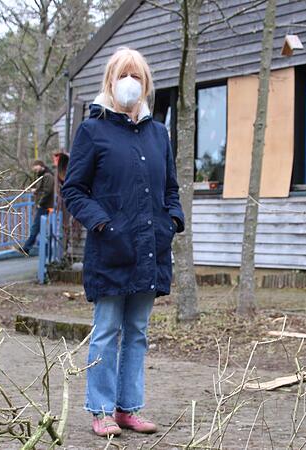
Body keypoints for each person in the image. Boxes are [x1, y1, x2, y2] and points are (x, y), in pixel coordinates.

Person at [62, 47, 184, 438]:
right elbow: (74, 190)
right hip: (111, 250)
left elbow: (171, 189)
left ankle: (129, 408)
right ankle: (100, 410)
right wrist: (104, 225)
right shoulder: (92, 130)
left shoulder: (158, 133)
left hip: (150, 249)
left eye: (136, 75)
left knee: (137, 332)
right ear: (110, 81)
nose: (129, 82)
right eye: (122, 75)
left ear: (146, 83)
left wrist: (172, 221)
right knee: (106, 330)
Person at [20, 160, 55, 254]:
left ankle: (26, 247)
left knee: (36, 227)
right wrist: (36, 190)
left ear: (40, 165)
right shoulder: (43, 176)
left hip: (44, 205)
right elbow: (43, 189)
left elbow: (47, 191)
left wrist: (40, 202)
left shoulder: (47, 176)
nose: (34, 169)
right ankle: (28, 247)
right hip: (44, 205)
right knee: (38, 227)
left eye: (35, 167)